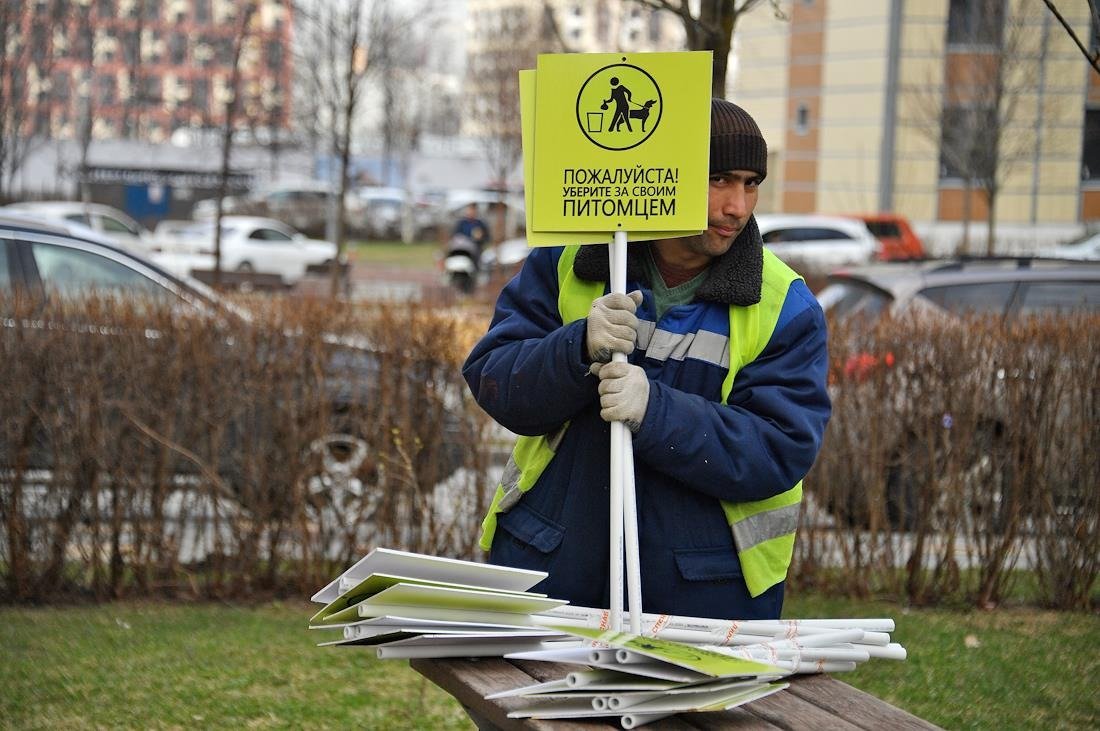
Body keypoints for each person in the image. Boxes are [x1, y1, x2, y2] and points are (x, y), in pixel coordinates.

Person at [462, 99, 831, 621]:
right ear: (668, 177)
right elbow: (496, 379)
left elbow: (779, 449)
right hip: (553, 575)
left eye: (751, 183)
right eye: (719, 179)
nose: (738, 207)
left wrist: (654, 411)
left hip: (703, 603)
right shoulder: (569, 261)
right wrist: (576, 348)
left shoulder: (783, 302)